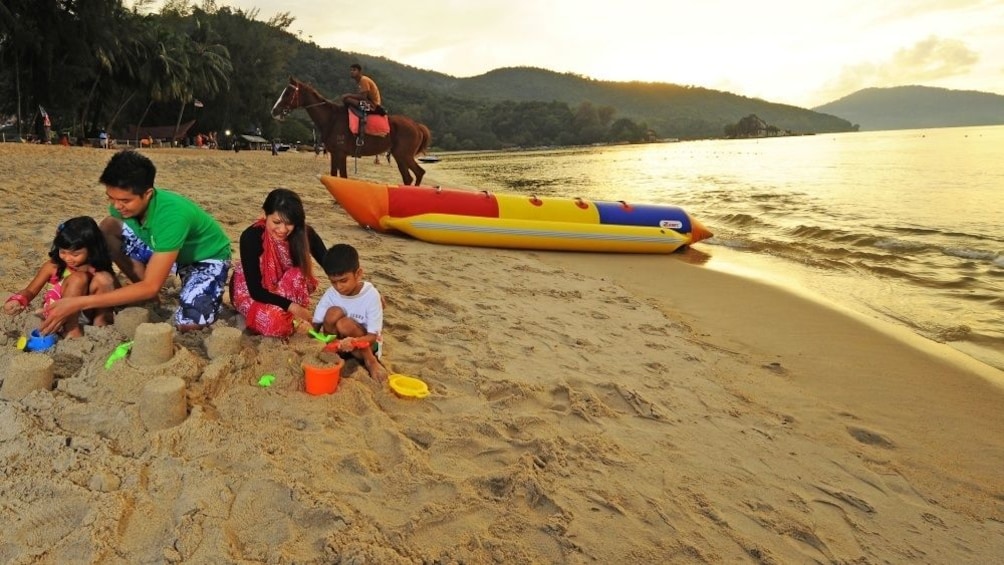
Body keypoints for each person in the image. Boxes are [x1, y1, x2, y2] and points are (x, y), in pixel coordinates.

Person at [39, 150, 232, 334]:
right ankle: (146, 296)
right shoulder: (121, 207)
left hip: (204, 258)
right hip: (163, 247)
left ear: (147, 194)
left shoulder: (173, 216)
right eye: (111, 198)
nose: (116, 205)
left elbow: (151, 285)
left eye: (125, 200)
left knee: (189, 325)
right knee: (108, 228)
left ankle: (153, 292)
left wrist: (79, 302)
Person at [230, 188, 327, 337]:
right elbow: (256, 291)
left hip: (284, 287)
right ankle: (287, 315)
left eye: (289, 224)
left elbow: (330, 264)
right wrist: (293, 307)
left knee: (299, 274)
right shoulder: (251, 237)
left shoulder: (303, 233)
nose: (282, 229)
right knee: (275, 323)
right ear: (264, 214)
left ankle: (287, 313)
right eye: (276, 222)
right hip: (254, 292)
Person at [4, 217, 116, 338]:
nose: (68, 258)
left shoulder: (97, 270)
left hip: (87, 317)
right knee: (78, 279)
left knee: (105, 279)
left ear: (91, 249)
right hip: (55, 317)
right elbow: (31, 290)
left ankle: (101, 327)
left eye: (75, 254)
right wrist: (18, 300)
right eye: (63, 252)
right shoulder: (53, 267)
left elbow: (111, 295)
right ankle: (71, 330)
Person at [313, 243, 388, 382]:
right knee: (332, 312)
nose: (339, 287)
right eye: (333, 282)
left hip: (364, 348)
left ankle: (371, 362)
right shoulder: (331, 293)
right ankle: (334, 352)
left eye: (343, 280)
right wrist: (311, 337)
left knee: (344, 324)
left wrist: (354, 341)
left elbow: (372, 336)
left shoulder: (371, 295)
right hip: (340, 346)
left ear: (358, 274)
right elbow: (316, 324)